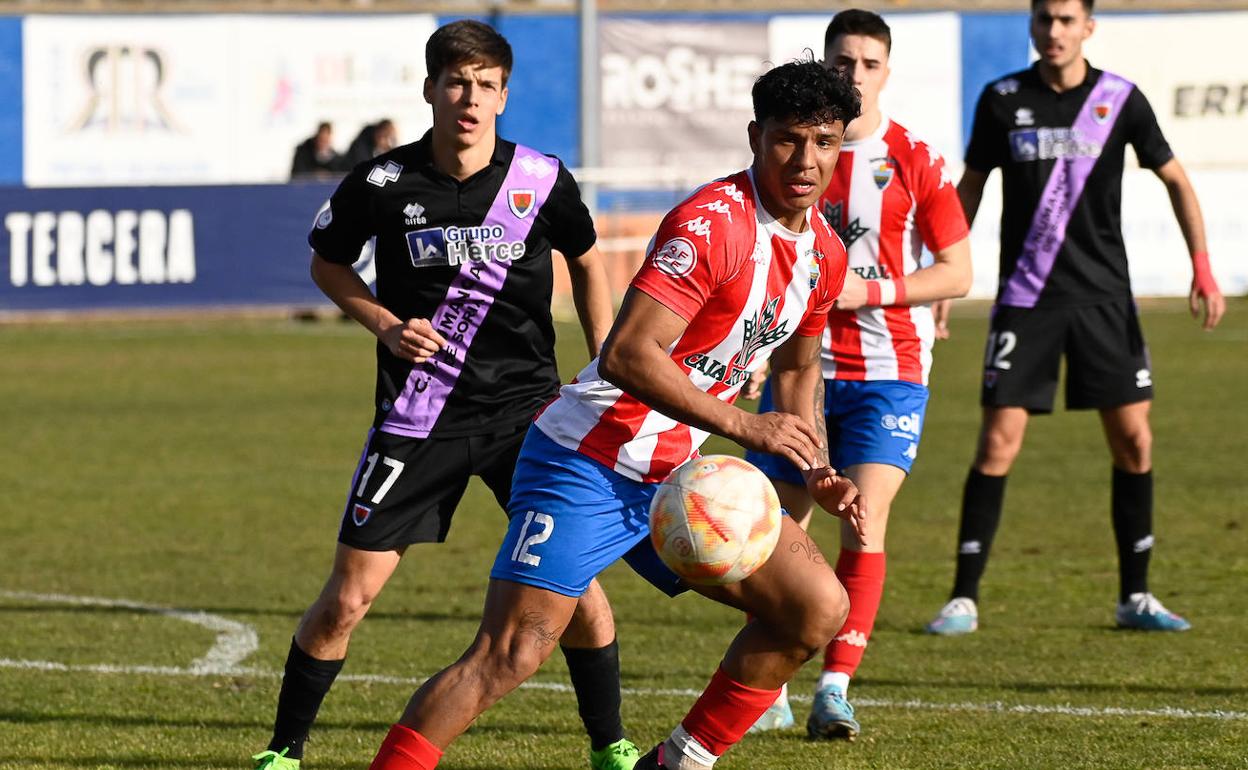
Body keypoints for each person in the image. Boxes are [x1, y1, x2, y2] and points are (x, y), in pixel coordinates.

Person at [365, 58, 867, 770]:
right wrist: (750, 428)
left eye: (825, 142)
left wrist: (815, 465)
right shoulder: (711, 225)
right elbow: (630, 355)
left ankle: (678, 763)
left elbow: (798, 367)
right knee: (510, 653)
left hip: (677, 476)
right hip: (587, 461)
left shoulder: (825, 254)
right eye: (789, 139)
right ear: (756, 137)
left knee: (816, 605)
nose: (807, 160)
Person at [251, 20, 641, 770]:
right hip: (417, 415)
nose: (470, 99)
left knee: (575, 590)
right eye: (456, 82)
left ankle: (609, 744)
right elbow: (327, 267)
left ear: (504, 95)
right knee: (348, 597)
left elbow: (590, 263)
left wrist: (604, 365)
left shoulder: (539, 178)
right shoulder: (382, 183)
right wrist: (386, 325)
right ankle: (284, 751)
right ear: (431, 90)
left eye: (487, 85)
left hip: (533, 419)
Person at [924, 0, 1226, 637]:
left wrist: (1200, 263)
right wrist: (944, 273)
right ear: (1032, 26)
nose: (1054, 31)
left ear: (1089, 27)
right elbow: (969, 188)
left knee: (1135, 442)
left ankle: (1135, 597)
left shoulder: (1120, 98)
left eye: (1066, 20)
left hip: (1104, 302)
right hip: (1027, 299)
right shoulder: (1002, 98)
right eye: (1044, 20)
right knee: (997, 444)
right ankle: (962, 598)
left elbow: (1175, 179)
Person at [743, 9, 971, 740]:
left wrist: (868, 292)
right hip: (798, 373)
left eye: (868, 65)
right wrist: (750, 355)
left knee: (863, 523)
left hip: (888, 371)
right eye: (843, 63)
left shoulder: (916, 159)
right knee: (771, 535)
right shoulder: (798, 159)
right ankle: (772, 680)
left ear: (886, 72)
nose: (854, 76)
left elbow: (958, 272)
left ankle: (834, 688)